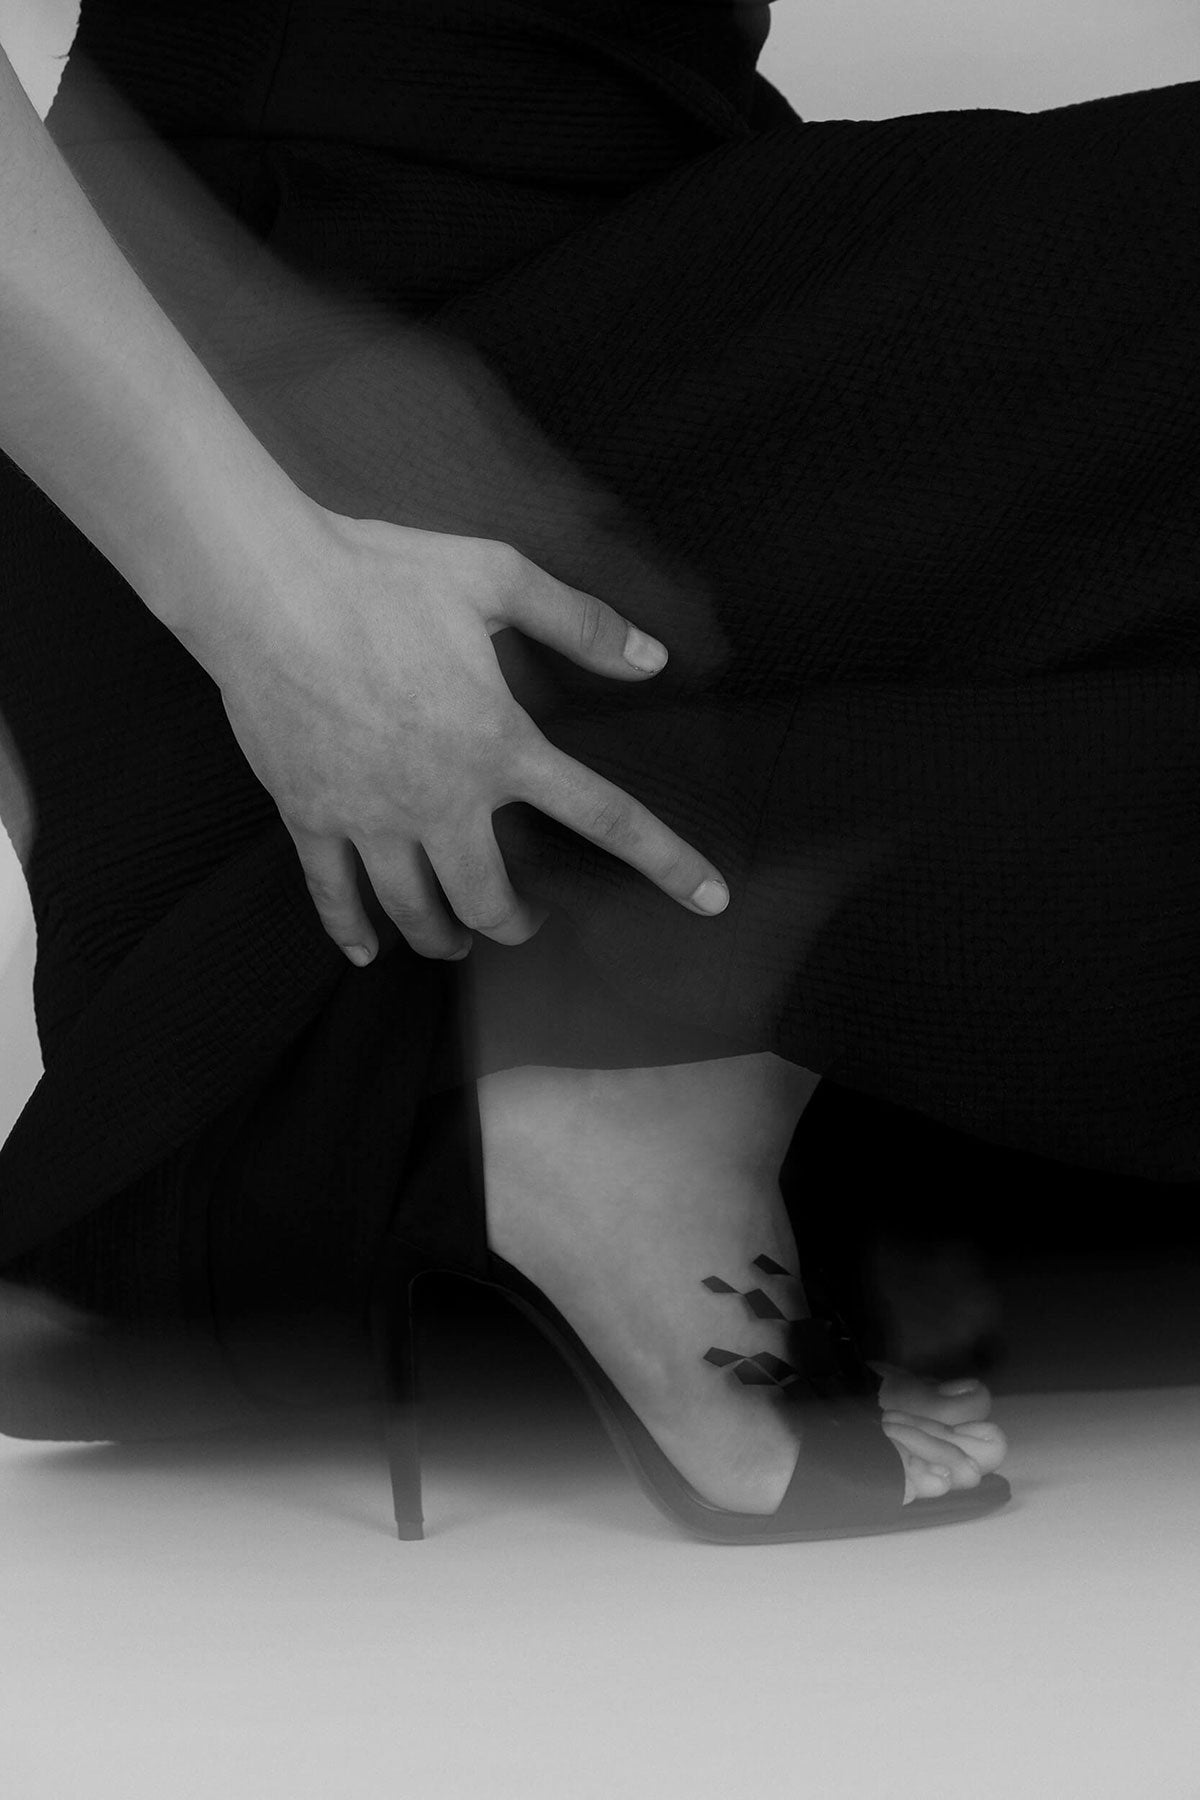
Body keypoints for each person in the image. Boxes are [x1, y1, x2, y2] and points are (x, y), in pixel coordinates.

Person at [0, 1, 1194, 1531]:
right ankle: (618, 1049)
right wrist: (279, 606)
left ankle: (395, 1103)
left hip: (630, 395)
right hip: (317, 469)